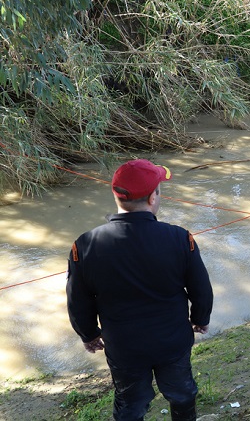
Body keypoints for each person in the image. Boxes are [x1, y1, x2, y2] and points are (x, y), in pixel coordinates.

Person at [66, 159, 214, 421]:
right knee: (181, 393)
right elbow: (200, 288)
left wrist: (88, 334)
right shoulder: (179, 238)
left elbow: (78, 299)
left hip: (124, 345)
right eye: (159, 189)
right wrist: (200, 319)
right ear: (153, 198)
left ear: (115, 195)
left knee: (130, 403)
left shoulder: (85, 244)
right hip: (173, 341)